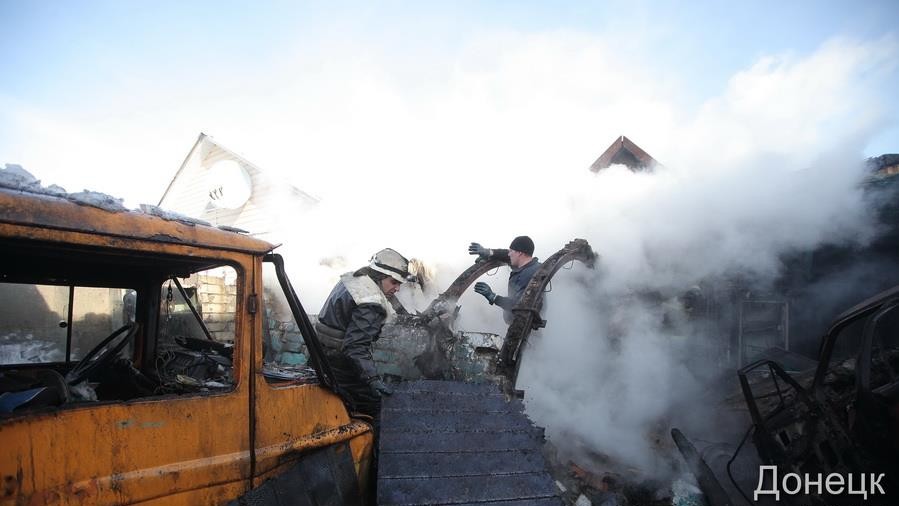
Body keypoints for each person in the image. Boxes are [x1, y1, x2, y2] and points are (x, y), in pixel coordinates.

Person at [315, 248, 410, 427]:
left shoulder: (354, 280)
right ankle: (372, 454)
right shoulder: (371, 303)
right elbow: (355, 348)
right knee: (379, 407)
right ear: (380, 276)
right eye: (394, 282)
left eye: (399, 284)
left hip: (318, 356)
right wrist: (373, 380)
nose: (397, 288)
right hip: (340, 366)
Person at [469, 236, 542, 324]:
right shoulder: (528, 264)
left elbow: (520, 306)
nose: (508, 254)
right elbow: (505, 254)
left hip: (525, 328)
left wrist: (493, 297)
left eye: (511, 251)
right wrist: (489, 253)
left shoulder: (529, 275)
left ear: (520, 253)